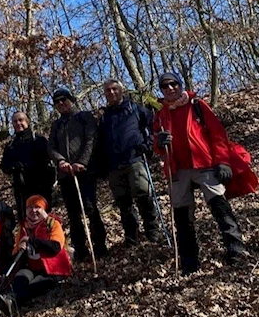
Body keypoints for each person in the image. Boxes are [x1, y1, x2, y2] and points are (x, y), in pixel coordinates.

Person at [153, 72, 250, 274]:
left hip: (204, 164)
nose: (170, 89)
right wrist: (159, 143)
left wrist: (223, 162)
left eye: (173, 84)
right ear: (161, 90)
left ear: (180, 85)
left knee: (220, 207)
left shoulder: (197, 105)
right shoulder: (160, 114)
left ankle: (236, 251)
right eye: (165, 86)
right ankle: (190, 263)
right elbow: (158, 147)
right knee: (182, 217)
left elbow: (217, 134)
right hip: (177, 170)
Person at [48, 88, 108, 262]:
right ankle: (81, 249)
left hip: (85, 172)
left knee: (90, 208)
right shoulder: (56, 125)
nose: (61, 103)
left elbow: (91, 140)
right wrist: (60, 161)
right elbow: (51, 147)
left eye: (63, 99)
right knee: (73, 213)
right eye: (57, 101)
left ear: (71, 100)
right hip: (65, 174)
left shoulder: (84, 117)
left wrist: (82, 162)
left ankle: (100, 246)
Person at [98, 79, 160, 245]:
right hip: (114, 166)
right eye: (108, 90)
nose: (111, 93)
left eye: (114, 89)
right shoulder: (104, 118)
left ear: (121, 90)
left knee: (143, 195)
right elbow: (101, 142)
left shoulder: (135, 109)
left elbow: (154, 127)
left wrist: (147, 145)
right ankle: (131, 236)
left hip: (135, 159)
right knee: (123, 203)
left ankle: (152, 232)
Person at [0, 195, 72, 317]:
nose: (33, 211)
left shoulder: (52, 223)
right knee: (20, 278)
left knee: (36, 284)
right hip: (31, 267)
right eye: (30, 207)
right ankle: (6, 300)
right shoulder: (24, 228)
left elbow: (55, 247)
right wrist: (20, 249)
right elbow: (16, 255)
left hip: (51, 269)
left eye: (37, 207)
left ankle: (13, 301)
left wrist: (32, 240)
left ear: (44, 210)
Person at [0, 112, 55, 220]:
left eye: (21, 120)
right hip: (21, 190)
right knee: (25, 220)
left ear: (27, 122)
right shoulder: (11, 146)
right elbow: (4, 166)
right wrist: (14, 166)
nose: (18, 123)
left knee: (43, 219)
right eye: (15, 121)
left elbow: (49, 158)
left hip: (41, 187)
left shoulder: (39, 140)